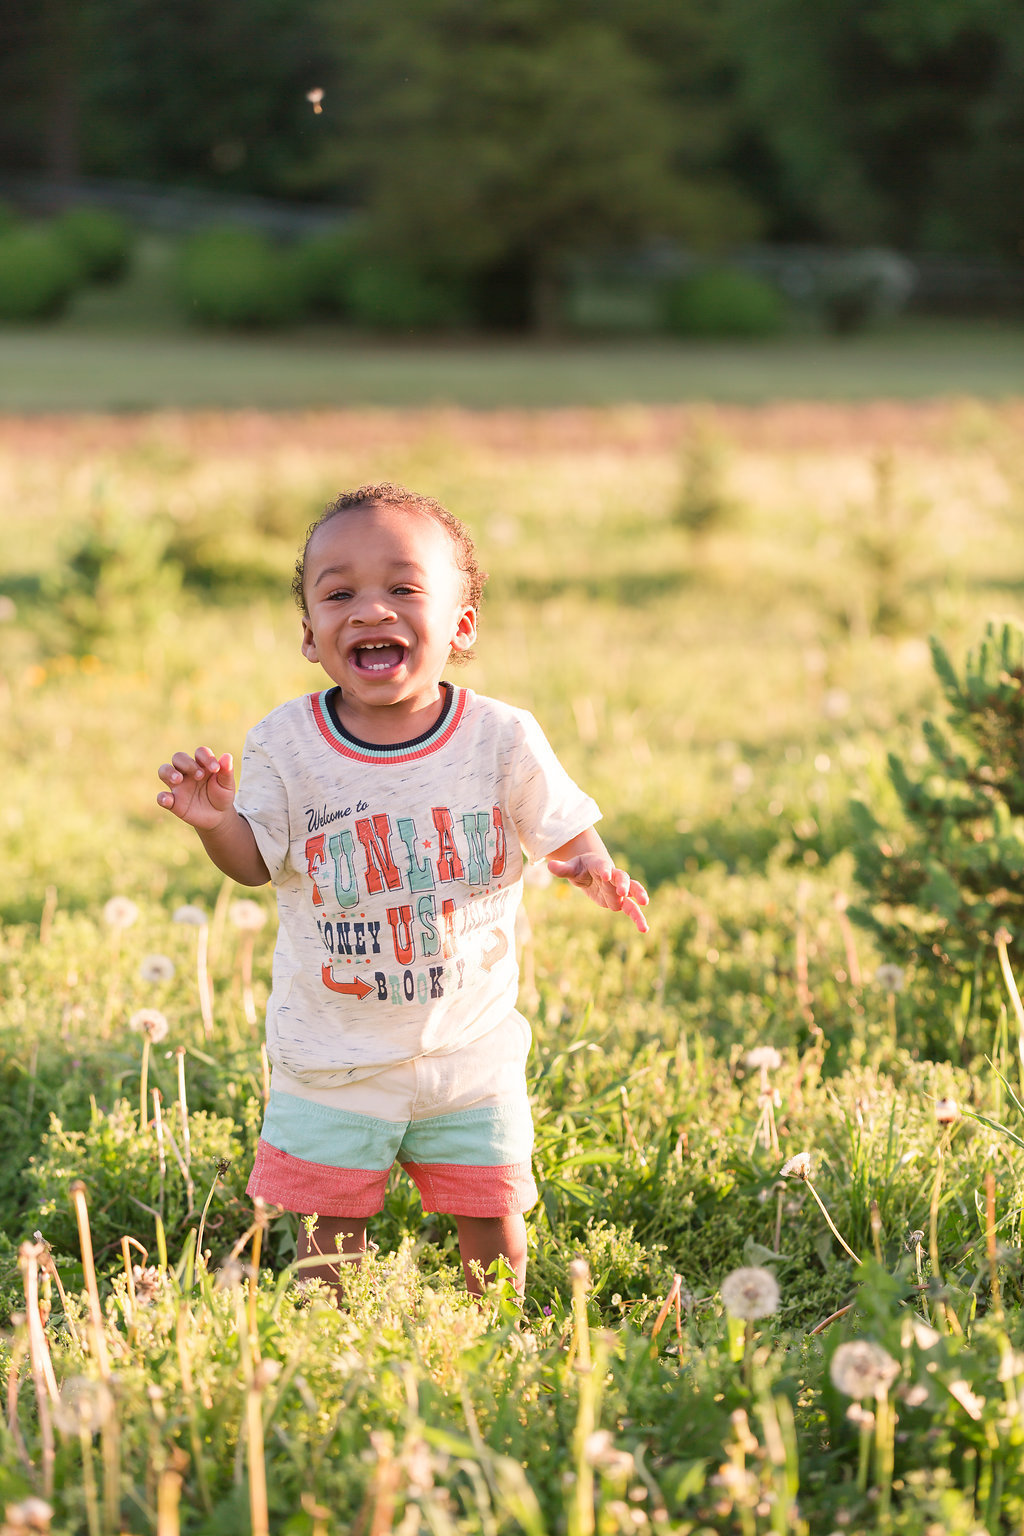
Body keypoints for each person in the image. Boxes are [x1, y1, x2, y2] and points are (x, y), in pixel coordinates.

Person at [157, 483, 649, 1297]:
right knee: (328, 1237)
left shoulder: (501, 736)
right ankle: (338, 1356)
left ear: (461, 624)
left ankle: (494, 1338)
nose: (370, 609)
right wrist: (215, 821)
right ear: (310, 634)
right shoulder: (285, 742)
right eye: (339, 592)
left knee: (492, 1221)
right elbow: (254, 863)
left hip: (470, 1045)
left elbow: (561, 824)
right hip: (332, 1053)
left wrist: (591, 863)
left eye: (404, 588)